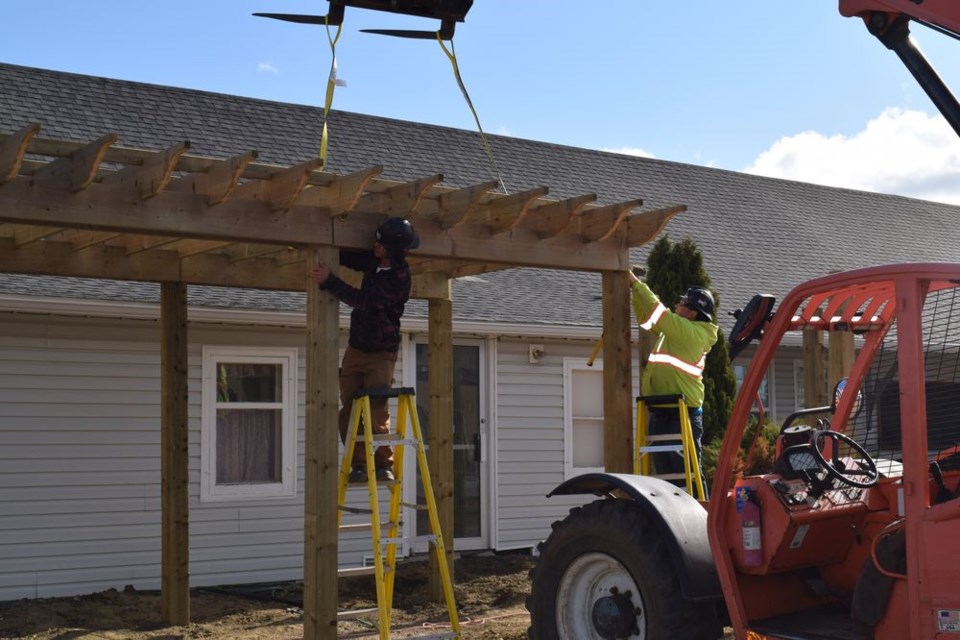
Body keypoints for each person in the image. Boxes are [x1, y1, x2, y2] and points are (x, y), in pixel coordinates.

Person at [312, 217, 420, 483]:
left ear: (393, 251)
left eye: (380, 244)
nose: (375, 246)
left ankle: (383, 463)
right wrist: (326, 241)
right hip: (357, 347)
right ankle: (359, 463)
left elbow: (363, 301)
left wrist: (329, 280)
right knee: (348, 409)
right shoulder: (375, 262)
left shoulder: (398, 277)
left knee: (375, 410)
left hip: (381, 353)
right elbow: (354, 258)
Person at [628, 269, 718, 490]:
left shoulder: (691, 333)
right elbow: (648, 320)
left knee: (689, 477)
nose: (677, 306)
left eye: (682, 304)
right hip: (663, 409)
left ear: (693, 313)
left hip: (682, 413)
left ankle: (702, 519)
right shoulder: (677, 331)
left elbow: (659, 314)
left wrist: (634, 282)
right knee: (667, 478)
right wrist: (634, 291)